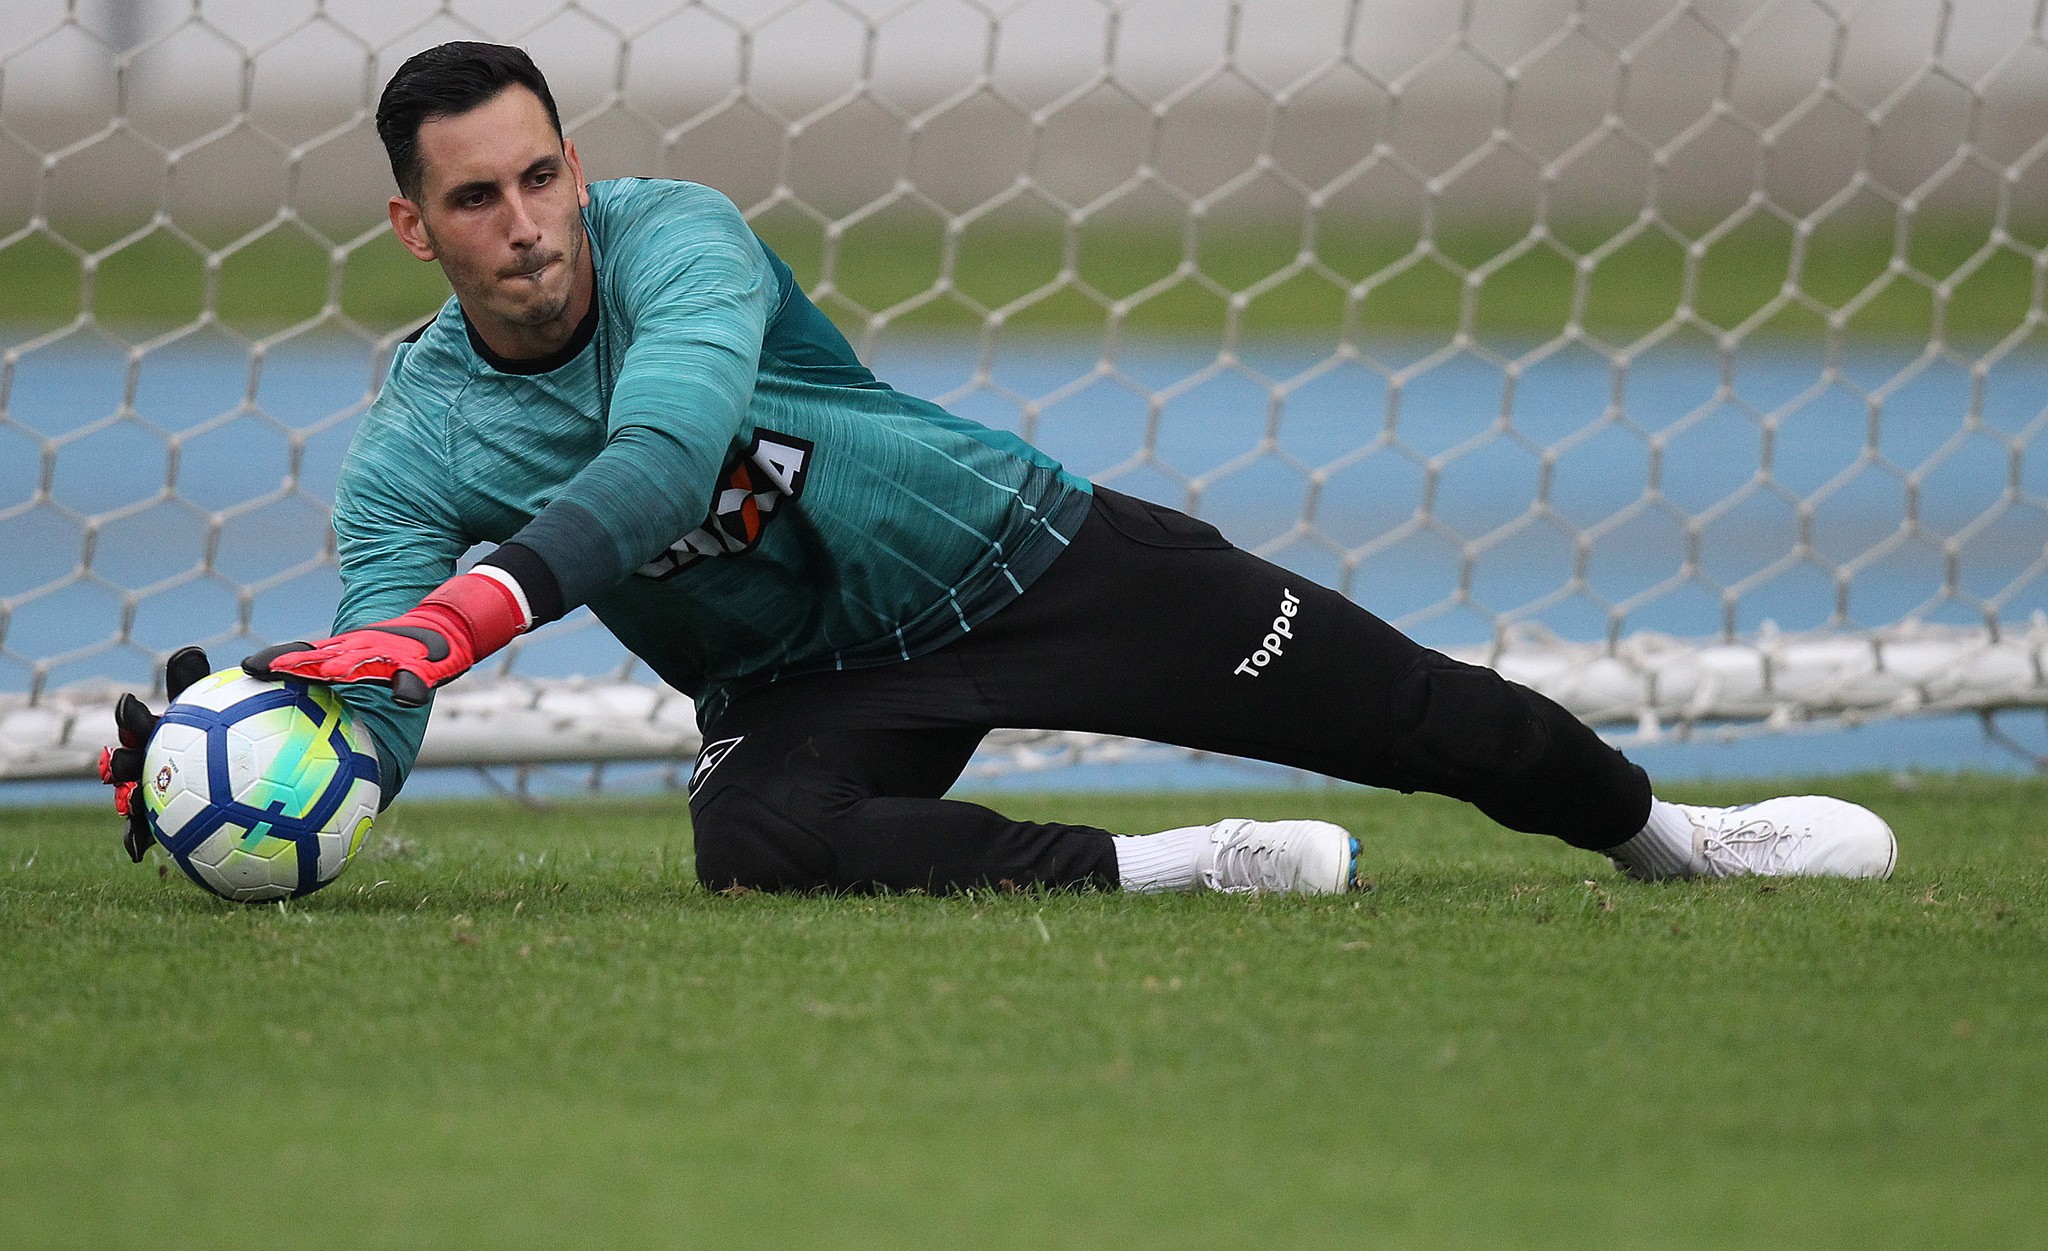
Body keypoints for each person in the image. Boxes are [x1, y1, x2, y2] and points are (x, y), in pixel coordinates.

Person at [104, 41, 1897, 894]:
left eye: (542, 176)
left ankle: (1673, 837)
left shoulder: (684, 242)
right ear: (413, 229)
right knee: (758, 845)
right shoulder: (415, 447)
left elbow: (656, 468)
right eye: (475, 199)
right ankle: (1191, 868)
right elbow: (386, 670)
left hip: (1030, 557)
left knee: (1423, 715)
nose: (528, 225)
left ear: (581, 167)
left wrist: (459, 621)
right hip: (809, 679)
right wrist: (266, 734)